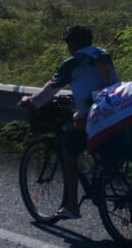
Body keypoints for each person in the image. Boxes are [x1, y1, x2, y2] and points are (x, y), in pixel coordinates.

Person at [20, 24, 119, 219]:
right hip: (118, 110)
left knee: (69, 151)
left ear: (71, 45)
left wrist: (33, 103)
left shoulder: (73, 62)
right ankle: (99, 171)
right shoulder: (103, 54)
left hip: (94, 117)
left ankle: (72, 206)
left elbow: (52, 88)